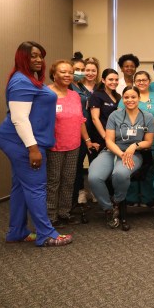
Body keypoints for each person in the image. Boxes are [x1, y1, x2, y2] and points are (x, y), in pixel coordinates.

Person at [0, 41, 72, 247]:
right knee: (37, 186)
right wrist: (33, 149)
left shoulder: (29, 80)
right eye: (33, 56)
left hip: (24, 141)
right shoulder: (21, 82)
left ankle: (17, 231)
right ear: (22, 57)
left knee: (21, 186)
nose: (38, 59)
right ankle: (46, 234)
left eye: (40, 56)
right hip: (21, 142)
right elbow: (19, 119)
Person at [88, 86, 154, 231]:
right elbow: (109, 141)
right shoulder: (115, 116)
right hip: (112, 151)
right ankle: (109, 208)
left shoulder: (147, 117)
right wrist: (120, 153)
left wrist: (134, 146)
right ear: (122, 99)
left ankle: (117, 201)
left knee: (120, 174)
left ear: (139, 98)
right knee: (94, 177)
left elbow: (148, 141)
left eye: (133, 97)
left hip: (134, 153)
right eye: (126, 97)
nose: (130, 100)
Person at [46, 60, 97, 226]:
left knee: (69, 180)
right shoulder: (46, 93)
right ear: (54, 74)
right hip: (53, 146)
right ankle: (50, 216)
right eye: (63, 72)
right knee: (54, 181)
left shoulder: (75, 95)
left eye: (70, 72)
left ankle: (64, 213)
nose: (68, 75)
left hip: (74, 144)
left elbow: (80, 120)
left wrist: (87, 140)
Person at [121, 71, 154, 207]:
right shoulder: (129, 96)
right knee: (130, 164)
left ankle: (148, 197)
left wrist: (152, 124)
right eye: (138, 80)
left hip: (152, 136)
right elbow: (120, 116)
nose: (141, 83)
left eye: (144, 80)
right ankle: (131, 197)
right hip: (131, 137)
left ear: (149, 81)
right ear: (134, 82)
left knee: (149, 166)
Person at [71, 56, 100, 205]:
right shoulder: (74, 86)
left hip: (95, 131)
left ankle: (96, 190)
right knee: (78, 164)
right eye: (84, 70)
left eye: (91, 70)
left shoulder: (100, 87)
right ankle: (81, 191)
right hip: (78, 131)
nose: (88, 73)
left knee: (95, 163)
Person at [87, 69, 120, 160]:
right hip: (100, 137)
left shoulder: (118, 96)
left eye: (116, 80)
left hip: (114, 136)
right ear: (103, 80)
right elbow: (95, 118)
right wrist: (105, 137)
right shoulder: (97, 96)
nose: (114, 82)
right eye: (111, 79)